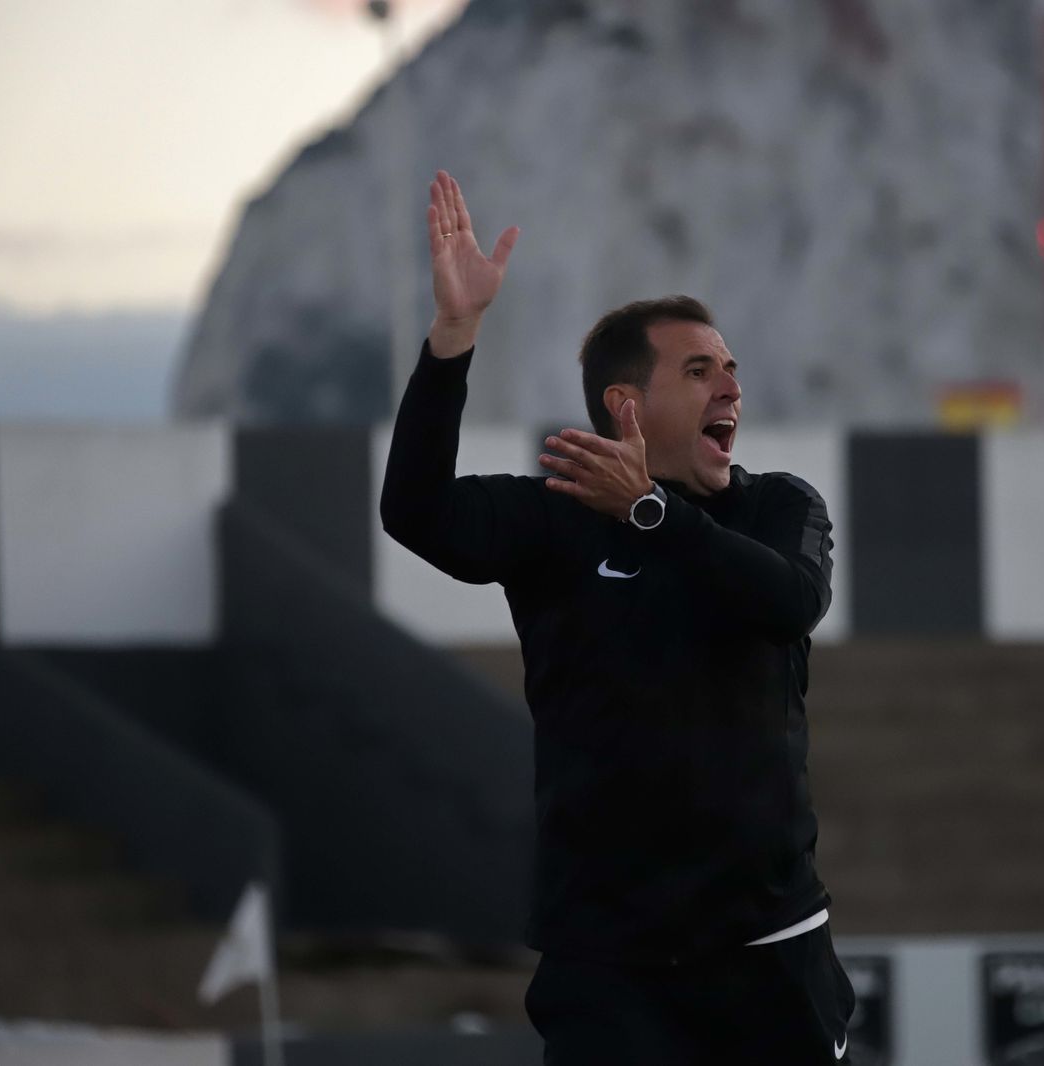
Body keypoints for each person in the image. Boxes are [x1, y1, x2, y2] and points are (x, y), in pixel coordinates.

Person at [379, 170, 856, 1064]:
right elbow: (415, 512)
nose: (730, 389)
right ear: (627, 404)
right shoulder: (557, 516)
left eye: (732, 371)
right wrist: (453, 338)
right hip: (610, 971)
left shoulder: (778, 507)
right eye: (699, 369)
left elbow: (790, 601)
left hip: (769, 959)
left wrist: (653, 514)